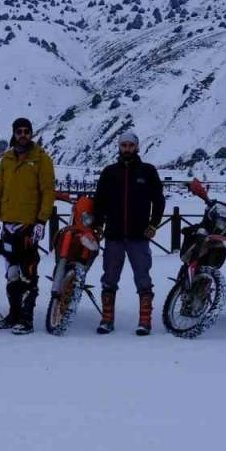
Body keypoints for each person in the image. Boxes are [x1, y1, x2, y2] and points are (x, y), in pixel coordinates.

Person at [92, 132, 165, 335]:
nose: (127, 149)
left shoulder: (148, 171)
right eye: (123, 145)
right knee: (109, 278)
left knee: (143, 278)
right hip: (114, 235)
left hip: (139, 236)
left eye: (130, 145)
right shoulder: (109, 172)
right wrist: (98, 225)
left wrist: (154, 224)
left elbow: (159, 201)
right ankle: (107, 319)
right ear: (119, 147)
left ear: (137, 147)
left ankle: (145, 320)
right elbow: (99, 202)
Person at [0, 117, 56, 334]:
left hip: (28, 225)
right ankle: (13, 314)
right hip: (8, 224)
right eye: (19, 131)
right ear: (14, 133)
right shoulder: (6, 159)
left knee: (28, 272)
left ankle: (26, 319)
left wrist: (41, 221)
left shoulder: (41, 159)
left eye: (27, 131)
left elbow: (48, 191)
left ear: (32, 134)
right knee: (11, 272)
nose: (23, 135)